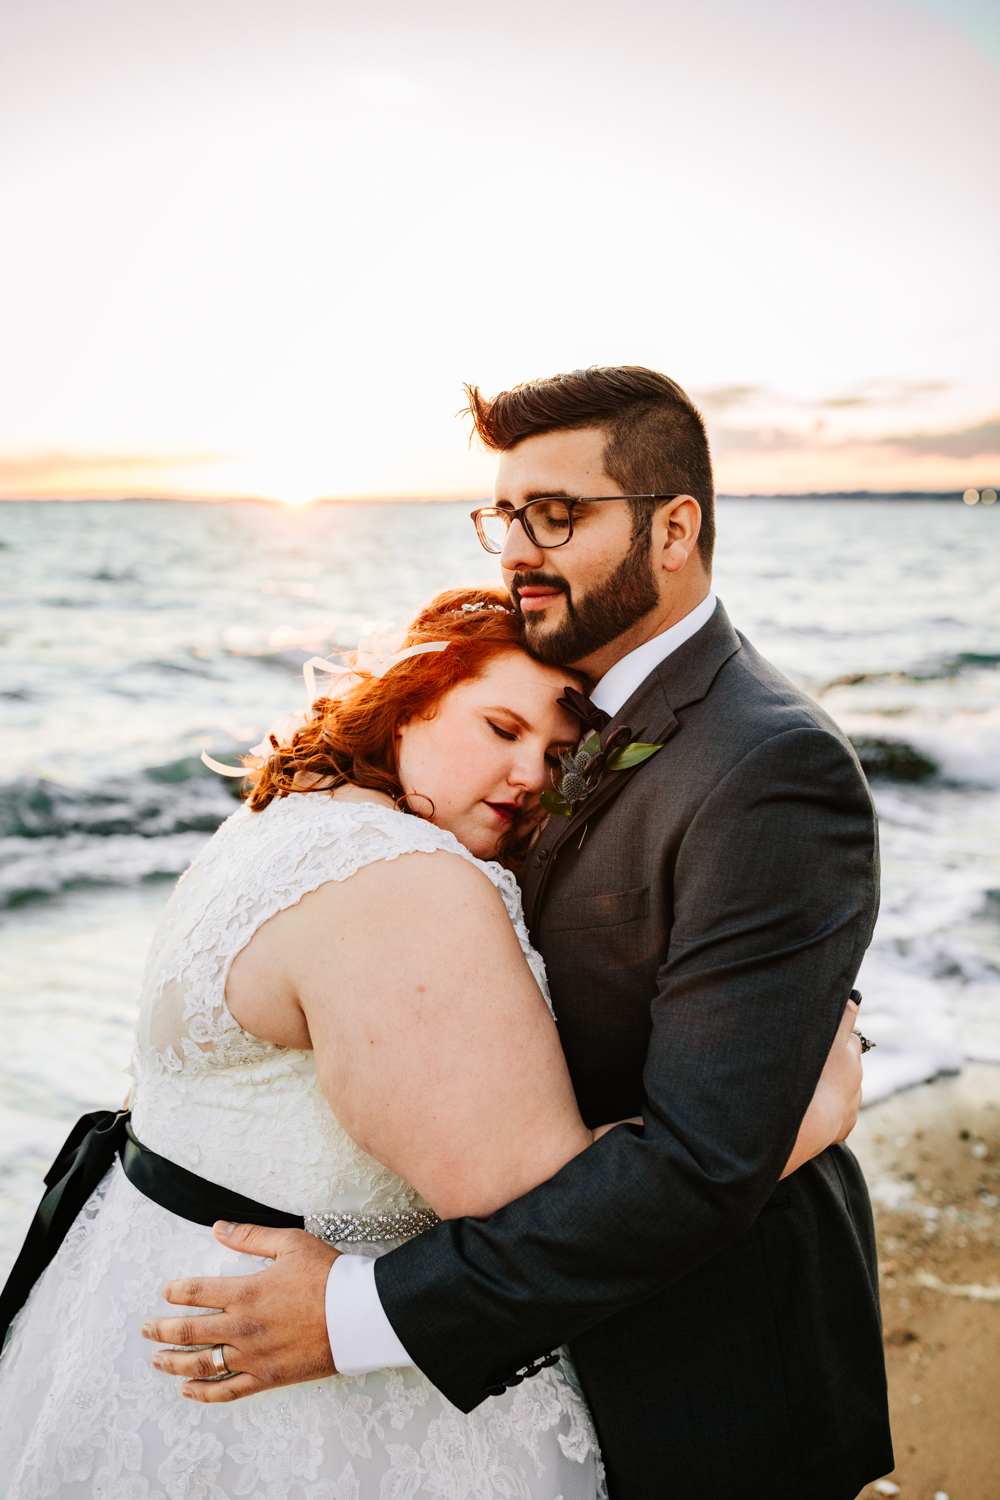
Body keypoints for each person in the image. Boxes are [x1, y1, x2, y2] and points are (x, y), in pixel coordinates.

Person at [144, 367, 894, 1500]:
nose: (518, 547)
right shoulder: (528, 734)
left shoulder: (767, 763)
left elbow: (706, 1162)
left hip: (707, 1365)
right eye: (504, 514)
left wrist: (358, 1310)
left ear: (674, 527)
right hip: (553, 1327)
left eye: (558, 514)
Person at [0, 583, 861, 1500]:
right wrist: (806, 1104)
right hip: (306, 1397)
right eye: (500, 728)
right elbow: (547, 1209)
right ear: (410, 703)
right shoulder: (408, 880)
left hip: (131, 1314)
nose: (532, 775)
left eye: (559, 756)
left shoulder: (281, 818)